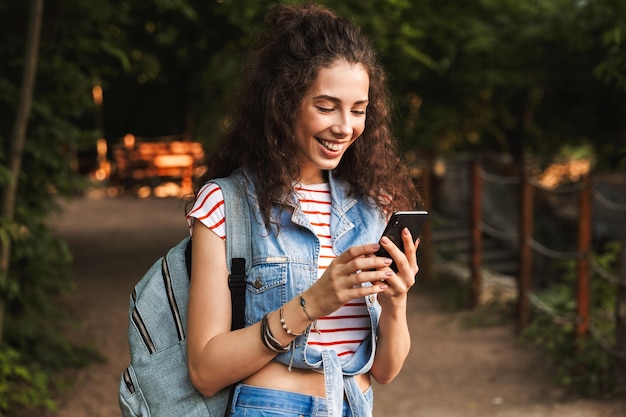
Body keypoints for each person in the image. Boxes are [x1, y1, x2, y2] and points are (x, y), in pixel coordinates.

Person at [185, 3, 421, 416]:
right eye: (327, 106)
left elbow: (385, 371)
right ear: (284, 103)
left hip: (354, 404)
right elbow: (205, 370)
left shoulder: (374, 203)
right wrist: (313, 302)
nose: (345, 126)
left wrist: (398, 302)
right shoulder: (227, 204)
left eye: (358, 109)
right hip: (269, 407)